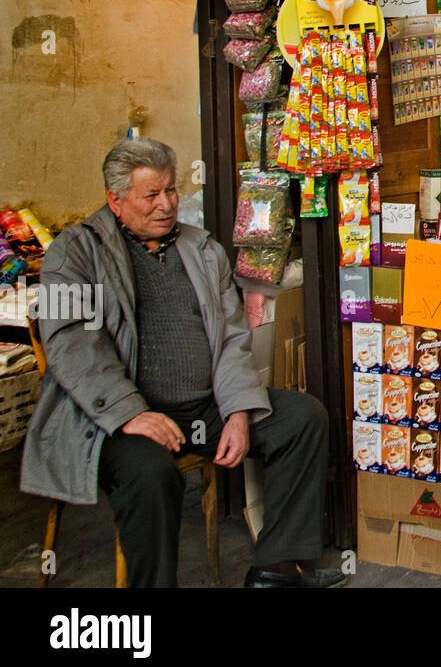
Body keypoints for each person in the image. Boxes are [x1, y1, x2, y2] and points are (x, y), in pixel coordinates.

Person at [21, 138, 345, 588]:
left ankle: (277, 567)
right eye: (151, 195)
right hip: (112, 419)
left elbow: (233, 336)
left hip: (201, 409)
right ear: (115, 201)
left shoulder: (201, 248)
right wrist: (131, 413)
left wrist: (235, 409)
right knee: (151, 474)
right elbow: (73, 343)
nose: (166, 204)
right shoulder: (74, 253)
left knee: (302, 417)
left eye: (171, 190)